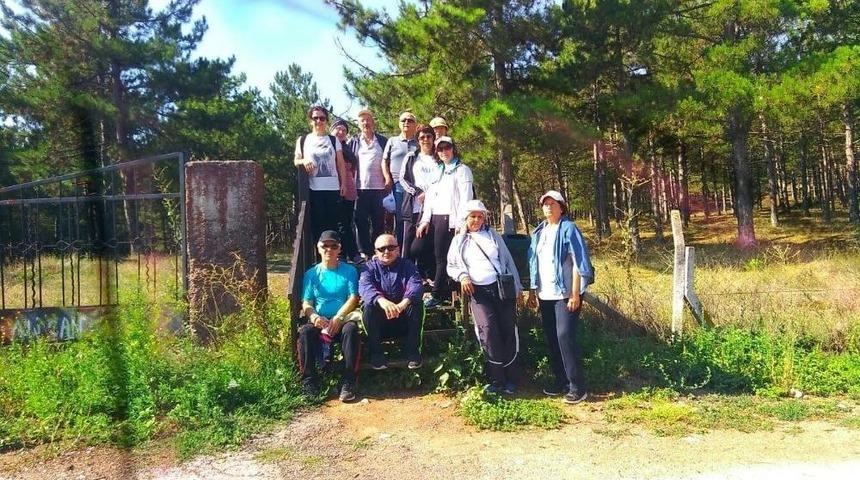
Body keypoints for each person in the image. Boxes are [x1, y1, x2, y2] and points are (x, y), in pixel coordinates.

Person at [447, 199, 523, 394]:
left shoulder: (493, 235)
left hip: (502, 289)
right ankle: (497, 379)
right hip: (479, 293)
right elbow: (451, 265)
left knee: (508, 330)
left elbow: (508, 261)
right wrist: (463, 276)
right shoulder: (458, 240)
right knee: (488, 331)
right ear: (466, 218)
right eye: (473, 216)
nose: (476, 220)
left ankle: (512, 378)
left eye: (480, 216)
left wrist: (517, 287)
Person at [527, 190, 595, 404]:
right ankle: (561, 381)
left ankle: (577, 387)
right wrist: (533, 291)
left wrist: (575, 293)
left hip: (565, 294)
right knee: (553, 338)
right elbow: (534, 263)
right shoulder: (539, 232)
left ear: (562, 207)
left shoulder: (568, 228)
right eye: (545, 204)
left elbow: (578, 262)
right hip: (545, 294)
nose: (548, 207)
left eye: (553, 204)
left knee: (565, 336)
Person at [296, 230, 363, 402]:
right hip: (320, 320)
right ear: (318, 248)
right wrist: (314, 317)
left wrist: (339, 318)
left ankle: (349, 381)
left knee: (351, 330)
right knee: (305, 332)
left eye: (334, 246)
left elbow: (353, 298)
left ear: (339, 249)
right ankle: (309, 381)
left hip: (342, 319)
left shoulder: (349, 271)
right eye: (325, 246)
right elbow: (307, 302)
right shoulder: (311, 274)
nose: (329, 250)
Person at [415, 136, 474, 308]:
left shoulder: (462, 170)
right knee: (417, 248)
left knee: (442, 257)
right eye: (440, 149)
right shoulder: (438, 170)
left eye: (447, 147)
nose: (443, 152)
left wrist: (461, 222)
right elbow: (430, 198)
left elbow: (466, 198)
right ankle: (438, 282)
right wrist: (425, 220)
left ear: (453, 148)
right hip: (434, 218)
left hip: (450, 219)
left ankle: (437, 295)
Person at [359, 233, 425, 370]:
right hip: (380, 323)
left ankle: (413, 352)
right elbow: (365, 288)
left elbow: (416, 285)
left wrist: (402, 305)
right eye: (382, 249)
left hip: (403, 319)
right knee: (368, 306)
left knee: (417, 304)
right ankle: (376, 354)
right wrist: (382, 301)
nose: (386, 251)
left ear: (398, 249)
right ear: (376, 252)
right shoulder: (368, 268)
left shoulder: (407, 265)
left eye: (390, 247)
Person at [294, 106, 347, 243]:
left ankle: (334, 253)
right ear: (310, 121)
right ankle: (319, 254)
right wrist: (304, 161)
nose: (319, 121)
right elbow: (296, 161)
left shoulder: (333, 140)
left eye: (322, 118)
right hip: (314, 189)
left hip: (333, 188)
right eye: (315, 118)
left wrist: (344, 184)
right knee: (317, 224)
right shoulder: (303, 140)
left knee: (333, 225)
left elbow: (340, 163)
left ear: (326, 120)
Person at [348, 109, 389, 262]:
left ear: (373, 122)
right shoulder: (353, 142)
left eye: (368, 120)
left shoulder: (382, 141)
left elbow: (389, 161)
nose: (366, 123)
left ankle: (377, 250)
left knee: (378, 222)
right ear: (358, 124)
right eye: (362, 121)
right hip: (360, 188)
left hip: (379, 188)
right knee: (360, 221)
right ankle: (364, 252)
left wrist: (388, 179)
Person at [398, 124, 439, 279]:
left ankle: (428, 276)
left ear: (433, 138)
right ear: (417, 140)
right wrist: (417, 192)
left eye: (428, 136)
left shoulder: (439, 157)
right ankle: (407, 278)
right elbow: (403, 179)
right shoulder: (411, 157)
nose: (425, 140)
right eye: (422, 137)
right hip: (414, 207)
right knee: (409, 245)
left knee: (429, 245)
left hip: (435, 208)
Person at [382, 111, 418, 245]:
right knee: (400, 218)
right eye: (403, 120)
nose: (406, 122)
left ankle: (412, 248)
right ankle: (400, 248)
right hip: (397, 185)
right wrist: (387, 178)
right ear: (399, 123)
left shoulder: (419, 142)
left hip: (415, 186)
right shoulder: (392, 141)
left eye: (410, 120)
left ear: (415, 125)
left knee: (414, 217)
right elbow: (384, 161)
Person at [331, 119, 359, 261]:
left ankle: (349, 254)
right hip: (335, 188)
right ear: (332, 130)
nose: (341, 132)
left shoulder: (347, 149)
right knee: (340, 223)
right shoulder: (328, 147)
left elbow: (352, 170)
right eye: (338, 129)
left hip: (349, 190)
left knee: (347, 223)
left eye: (344, 130)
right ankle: (346, 254)